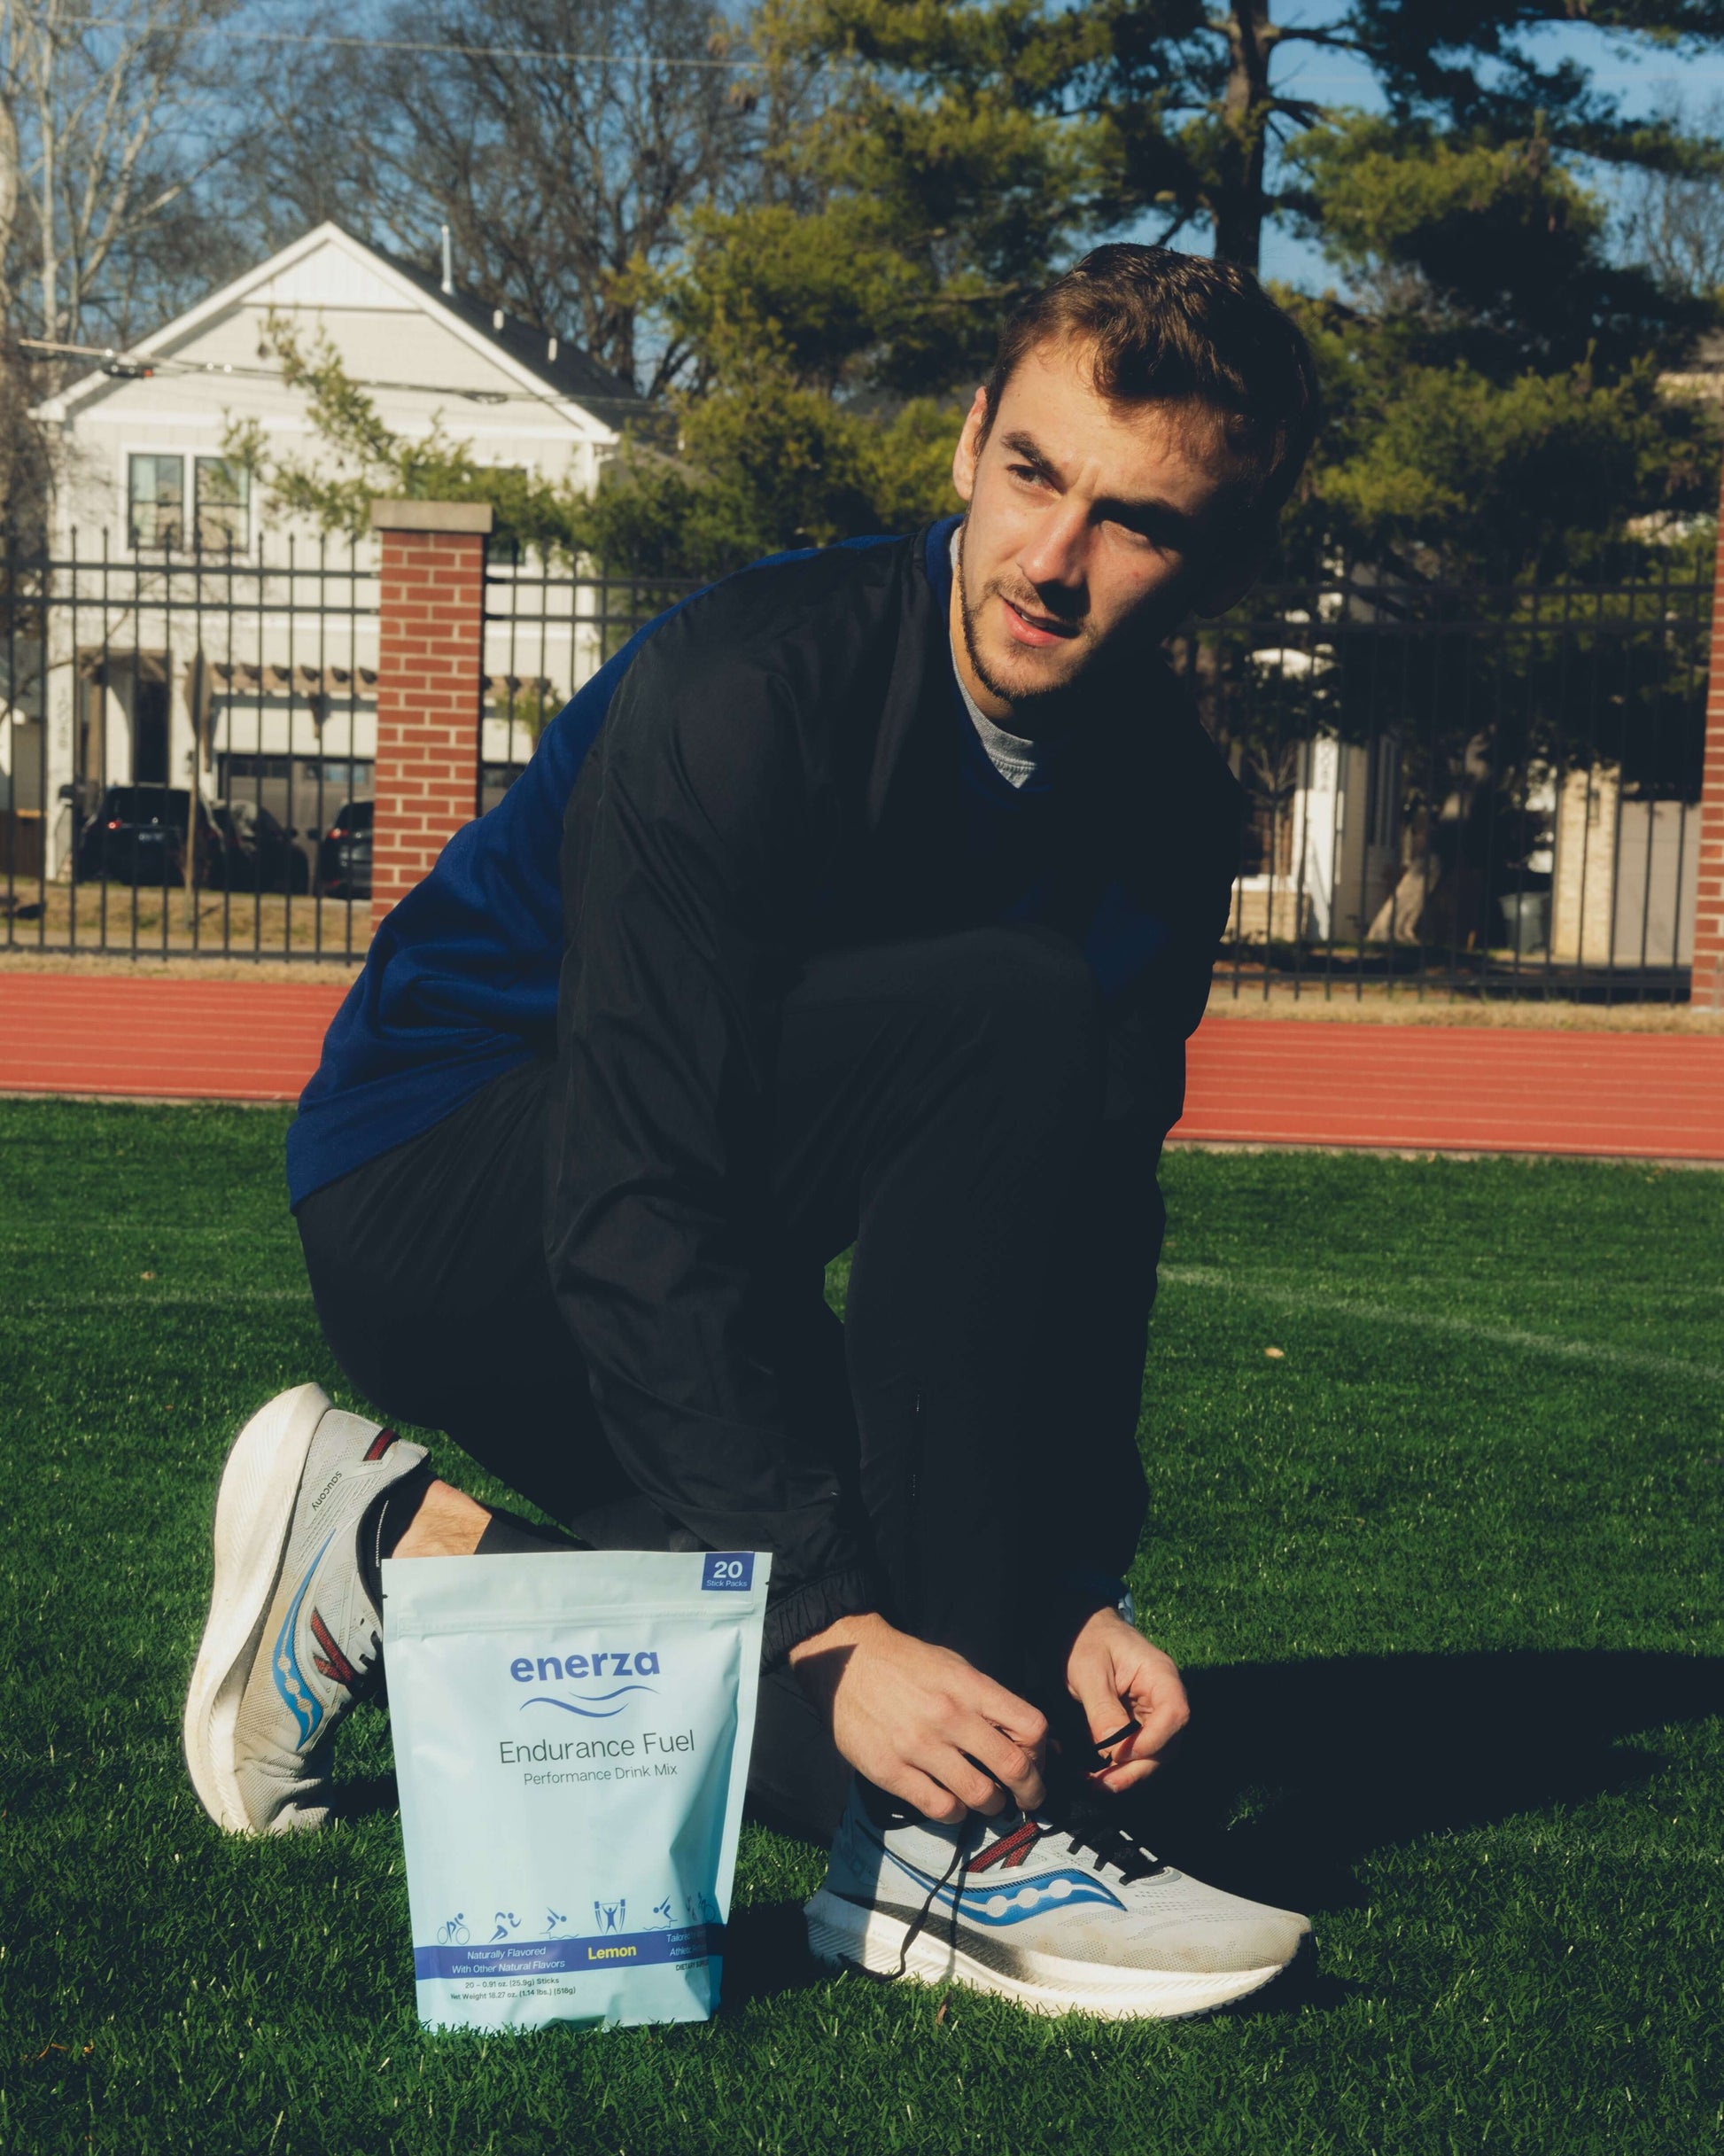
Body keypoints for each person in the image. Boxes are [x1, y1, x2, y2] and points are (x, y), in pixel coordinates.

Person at [182, 244, 1321, 2020]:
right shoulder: (743, 690)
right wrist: (833, 1613)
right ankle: (937, 1866)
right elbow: (636, 1183)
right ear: (965, 445)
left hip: (710, 1208)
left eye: (1137, 522)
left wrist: (1067, 1584)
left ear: (1214, 559)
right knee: (1007, 1014)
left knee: (974, 1722)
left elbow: (1093, 1224)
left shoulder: (1163, 809)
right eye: (1033, 474)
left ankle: (389, 1553)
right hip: (452, 1183)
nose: (1051, 558)